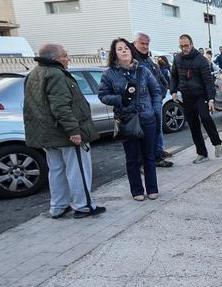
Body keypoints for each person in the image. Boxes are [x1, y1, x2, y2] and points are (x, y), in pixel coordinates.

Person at [23, 43, 105, 219]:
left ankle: (58, 206)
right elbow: (61, 106)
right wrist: (74, 131)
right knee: (78, 170)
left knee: (56, 170)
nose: (68, 59)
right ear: (55, 59)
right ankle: (83, 206)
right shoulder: (56, 75)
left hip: (47, 134)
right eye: (65, 55)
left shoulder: (34, 74)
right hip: (65, 134)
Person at [99, 39, 163, 201]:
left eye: (126, 48)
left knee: (149, 156)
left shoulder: (143, 70)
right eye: (119, 49)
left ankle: (152, 188)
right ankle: (136, 190)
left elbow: (156, 91)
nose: (124, 51)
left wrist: (155, 110)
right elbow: (103, 95)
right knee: (132, 158)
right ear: (115, 53)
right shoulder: (109, 74)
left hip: (148, 118)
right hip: (127, 120)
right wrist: (120, 99)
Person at [170, 34, 222, 163]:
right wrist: (173, 91)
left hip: (201, 96)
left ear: (192, 44)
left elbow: (208, 81)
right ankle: (202, 154)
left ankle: (217, 143)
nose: (184, 48)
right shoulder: (177, 59)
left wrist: (211, 99)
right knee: (193, 126)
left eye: (186, 45)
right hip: (187, 97)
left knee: (205, 118)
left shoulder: (201, 60)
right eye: (181, 46)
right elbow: (174, 76)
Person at [133, 32, 174, 168]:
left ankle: (157, 153)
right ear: (135, 43)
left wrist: (161, 93)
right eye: (142, 43)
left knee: (157, 130)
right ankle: (146, 161)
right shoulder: (133, 61)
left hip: (155, 102)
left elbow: (160, 77)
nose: (145, 46)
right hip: (143, 105)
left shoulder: (148, 60)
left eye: (147, 44)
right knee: (145, 134)